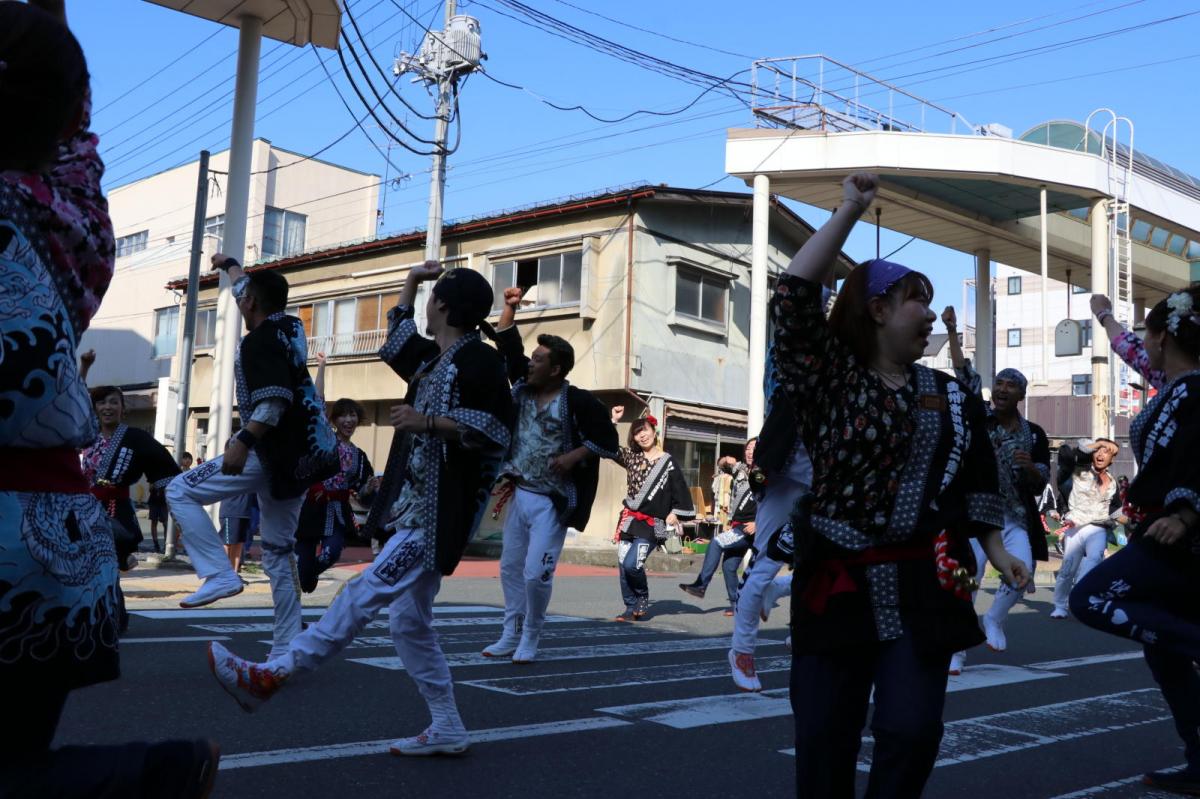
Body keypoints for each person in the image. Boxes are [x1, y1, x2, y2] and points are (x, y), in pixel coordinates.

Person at [0, 2, 220, 795]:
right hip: (61, 553)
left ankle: (145, 775)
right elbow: (67, 112)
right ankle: (150, 773)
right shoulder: (76, 217)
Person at [772, 173, 1027, 797]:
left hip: (922, 582)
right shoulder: (827, 376)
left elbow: (976, 472)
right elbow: (795, 295)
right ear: (878, 308)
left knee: (913, 731)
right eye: (917, 299)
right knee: (825, 736)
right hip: (836, 577)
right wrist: (851, 208)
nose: (928, 314)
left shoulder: (947, 393)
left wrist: (995, 546)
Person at [208, 262, 512, 757]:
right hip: (417, 514)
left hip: (437, 519)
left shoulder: (481, 360)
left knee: (363, 590)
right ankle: (448, 726)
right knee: (408, 623)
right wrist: (412, 281)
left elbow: (495, 431)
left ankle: (274, 674)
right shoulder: (436, 361)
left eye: (431, 297)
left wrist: (428, 420)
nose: (423, 308)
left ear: (446, 307)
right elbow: (395, 343)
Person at [167, 253, 339, 660]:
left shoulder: (258, 342)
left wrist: (242, 440)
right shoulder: (289, 326)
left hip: (271, 450)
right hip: (305, 458)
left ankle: (219, 574)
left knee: (179, 490)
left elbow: (274, 401)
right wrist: (230, 265)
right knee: (279, 552)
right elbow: (247, 286)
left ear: (249, 305)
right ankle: (285, 647)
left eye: (242, 296)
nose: (240, 299)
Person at [1069, 284, 1200, 794]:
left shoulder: (1192, 389)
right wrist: (1104, 317)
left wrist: (1188, 513)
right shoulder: (1170, 382)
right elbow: (1130, 348)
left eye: (1147, 337)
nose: (1140, 348)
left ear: (1164, 337)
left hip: (1178, 536)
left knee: (1091, 597)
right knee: (1163, 655)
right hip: (1162, 533)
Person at [483, 287, 619, 662]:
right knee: (510, 567)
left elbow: (608, 438)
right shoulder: (523, 389)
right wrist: (509, 308)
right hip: (520, 492)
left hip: (552, 501)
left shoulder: (578, 401)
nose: (530, 363)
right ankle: (510, 632)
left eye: (539, 359)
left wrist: (575, 454)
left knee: (535, 573)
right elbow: (508, 345)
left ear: (556, 369)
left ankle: (532, 634)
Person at [942, 306, 1050, 671]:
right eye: (999, 383)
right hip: (977, 513)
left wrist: (1031, 468)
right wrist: (952, 330)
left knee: (1023, 573)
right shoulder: (978, 415)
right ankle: (955, 648)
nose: (1003, 389)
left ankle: (994, 619)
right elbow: (962, 372)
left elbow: (1043, 479)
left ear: (1020, 395)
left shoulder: (1033, 433)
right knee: (967, 579)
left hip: (1015, 517)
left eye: (1011, 386)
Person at [728, 392, 813, 691]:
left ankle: (787, 605)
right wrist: (761, 474)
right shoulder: (796, 378)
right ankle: (742, 652)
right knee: (764, 565)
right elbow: (777, 425)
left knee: (823, 563)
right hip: (782, 480)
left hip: (826, 481)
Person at [80, 383, 182, 633]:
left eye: (114, 402)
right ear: (94, 408)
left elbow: (164, 466)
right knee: (86, 567)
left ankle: (113, 617)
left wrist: (179, 498)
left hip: (115, 509)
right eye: (102, 402)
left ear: (123, 408)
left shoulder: (135, 438)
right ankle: (97, 616)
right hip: (82, 508)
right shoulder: (83, 435)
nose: (108, 407)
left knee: (106, 565)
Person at [294, 354, 379, 593]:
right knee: (301, 565)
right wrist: (322, 367)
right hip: (311, 507)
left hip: (338, 511)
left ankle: (308, 575)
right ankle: (296, 599)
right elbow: (318, 402)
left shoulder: (359, 455)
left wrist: (369, 488)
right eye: (343, 414)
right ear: (334, 419)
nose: (348, 419)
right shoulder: (325, 440)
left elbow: (361, 494)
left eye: (353, 415)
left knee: (331, 553)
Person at [608, 408, 695, 621]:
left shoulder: (668, 461)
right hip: (630, 519)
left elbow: (680, 492)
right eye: (637, 433)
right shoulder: (632, 457)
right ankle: (630, 608)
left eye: (645, 430)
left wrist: (675, 513)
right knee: (622, 564)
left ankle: (642, 596)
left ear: (653, 431)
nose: (642, 435)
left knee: (633, 563)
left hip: (653, 523)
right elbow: (608, 448)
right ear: (634, 438)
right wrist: (613, 421)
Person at [680, 439, 758, 616]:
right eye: (748, 448)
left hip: (750, 527)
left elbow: (772, 501)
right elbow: (720, 464)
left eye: (754, 449)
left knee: (716, 542)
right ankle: (737, 604)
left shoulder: (765, 474)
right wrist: (725, 459)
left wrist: (759, 523)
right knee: (729, 567)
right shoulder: (740, 469)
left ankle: (701, 585)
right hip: (738, 525)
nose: (750, 452)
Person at [1050, 438, 1120, 619]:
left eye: (1106, 452)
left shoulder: (1113, 483)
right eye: (1098, 450)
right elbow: (1080, 453)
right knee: (1067, 570)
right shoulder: (1080, 471)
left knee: (1093, 562)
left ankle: (1079, 598)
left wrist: (1135, 521)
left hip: (1097, 528)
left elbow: (1116, 510)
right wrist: (1096, 445)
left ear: (1112, 459)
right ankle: (1059, 606)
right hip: (1075, 528)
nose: (1101, 454)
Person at [220, 493, 254, 573]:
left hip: (245, 512)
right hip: (231, 510)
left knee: (239, 544)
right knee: (227, 543)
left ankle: (233, 575)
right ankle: (222, 574)